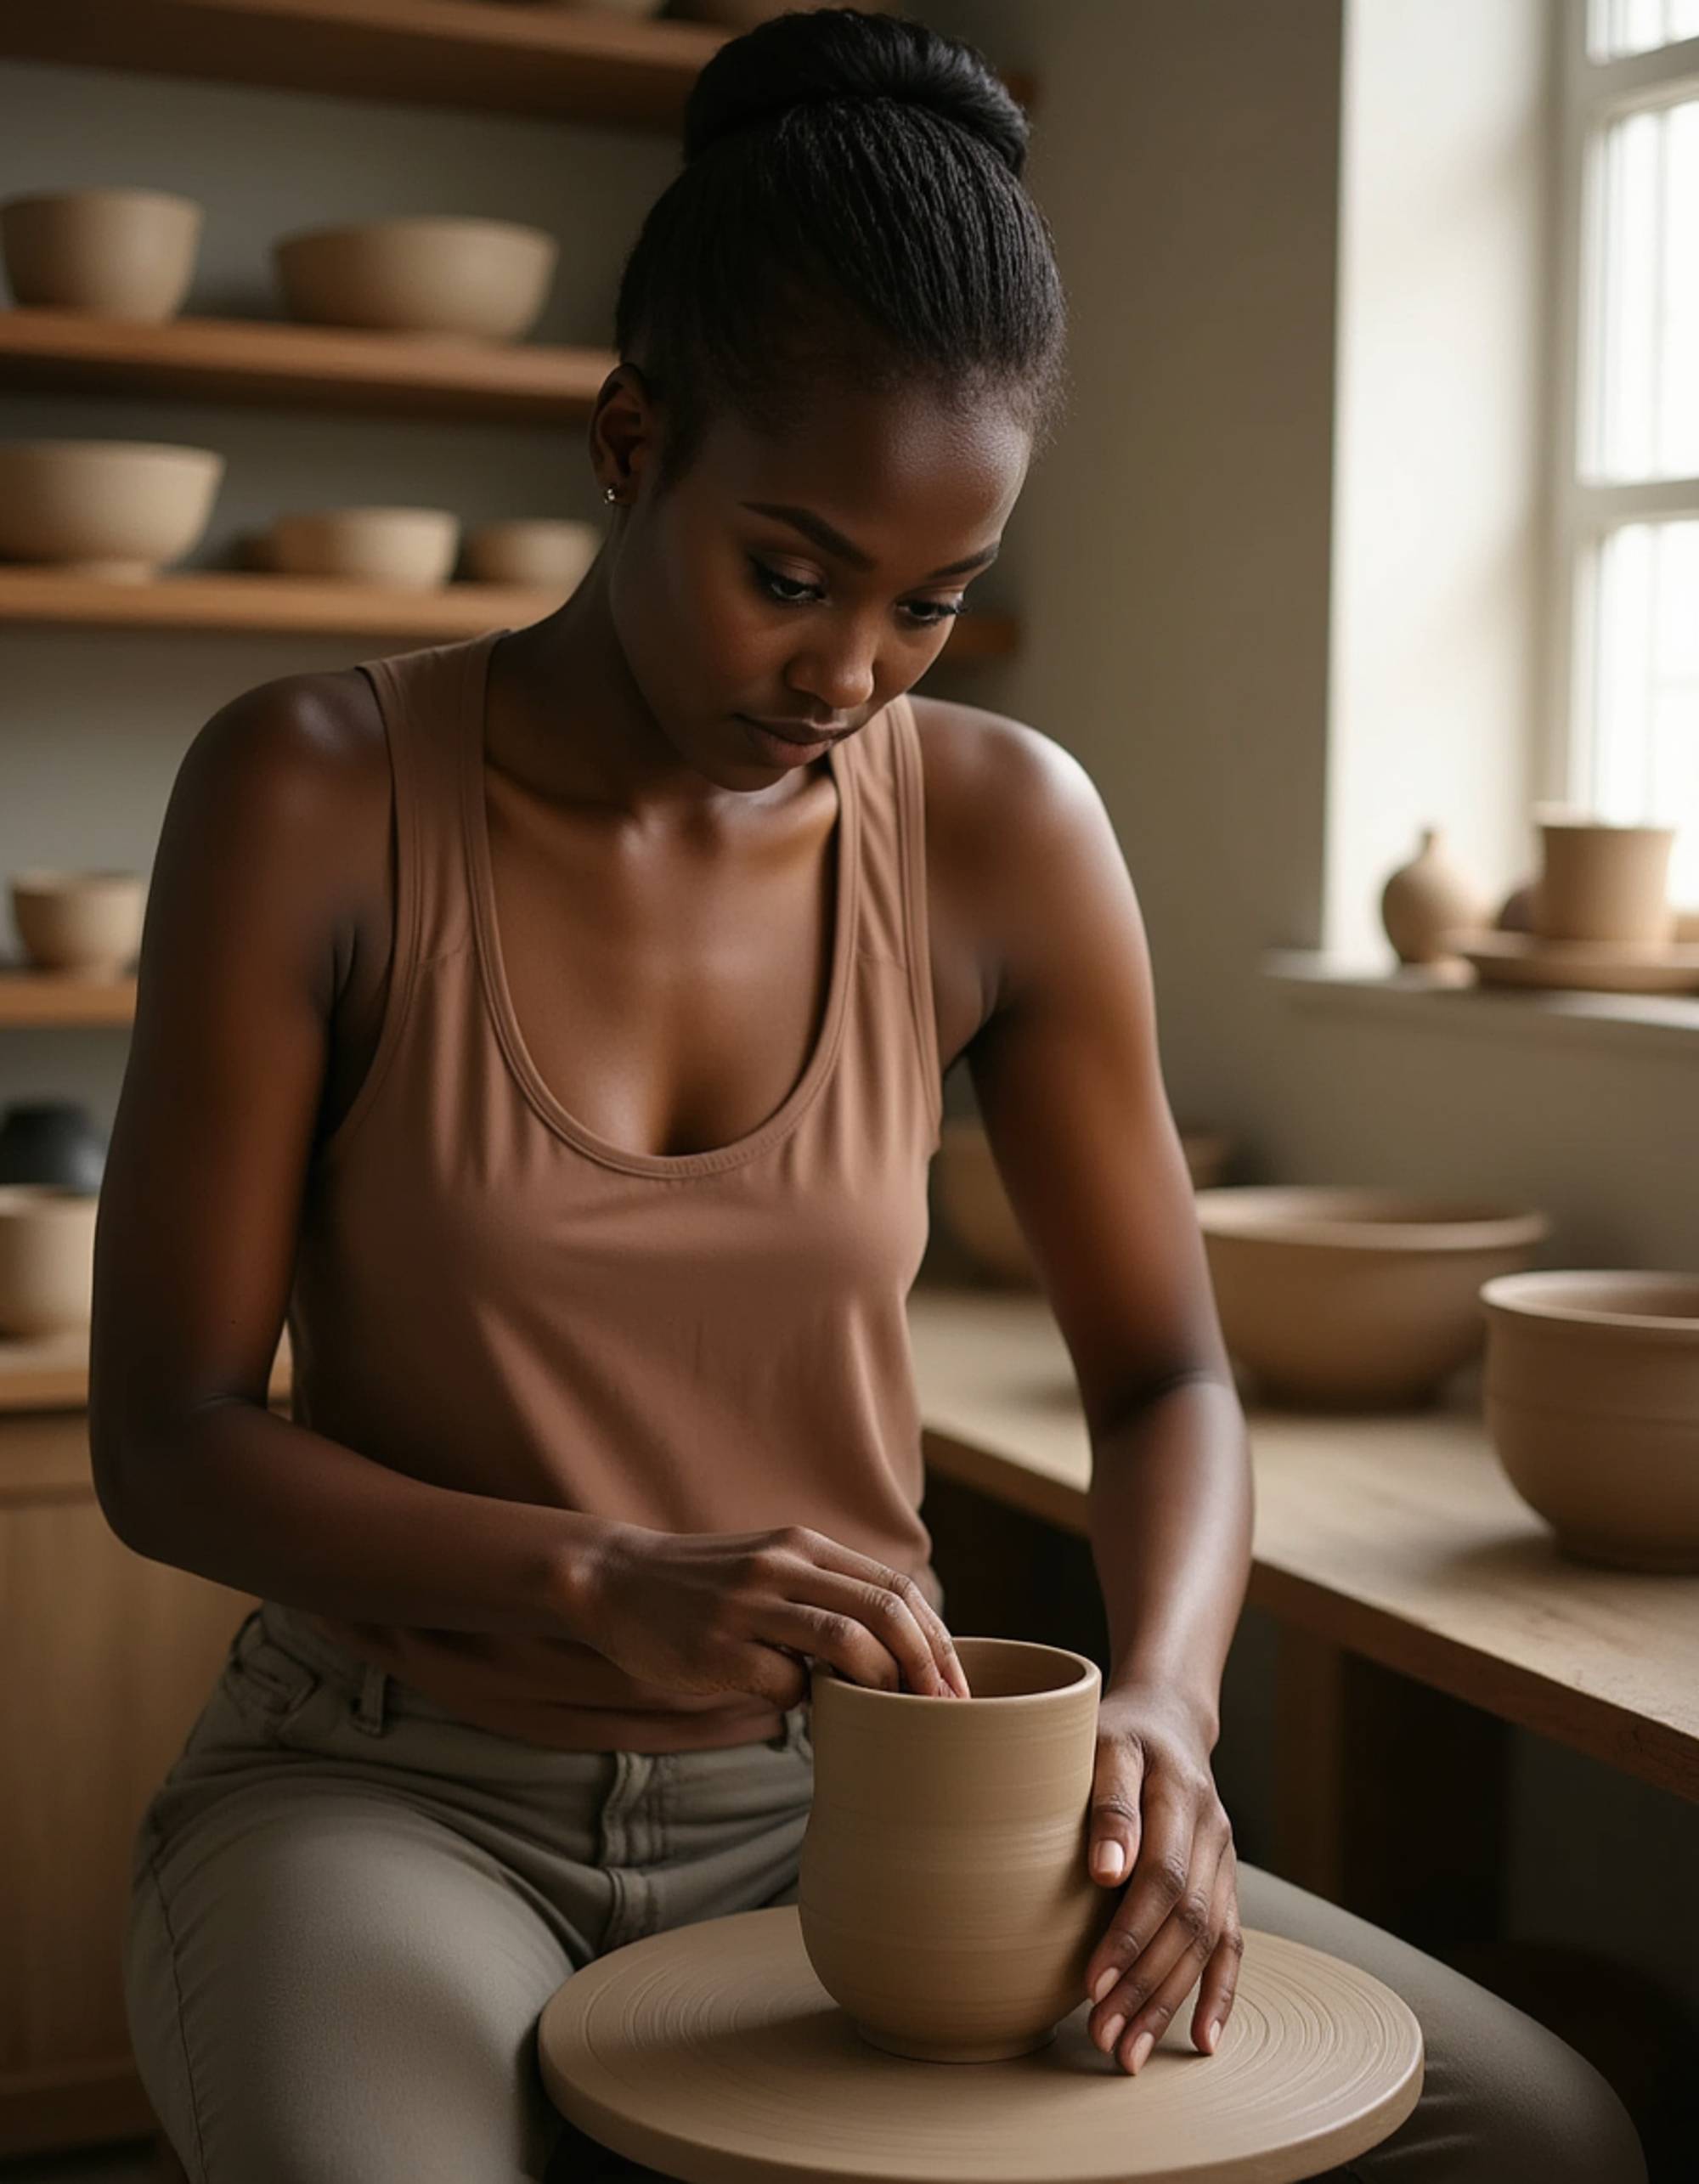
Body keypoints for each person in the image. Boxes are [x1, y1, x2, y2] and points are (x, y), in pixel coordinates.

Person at [91, 9, 1646, 2181]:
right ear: (631, 441)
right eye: (792, 573)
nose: (846, 676)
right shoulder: (312, 789)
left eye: (932, 603)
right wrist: (595, 1571)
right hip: (396, 1789)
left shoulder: (1007, 830)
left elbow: (1174, 1376)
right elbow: (168, 1442)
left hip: (870, 1799)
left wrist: (1165, 1712)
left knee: (1536, 2134)